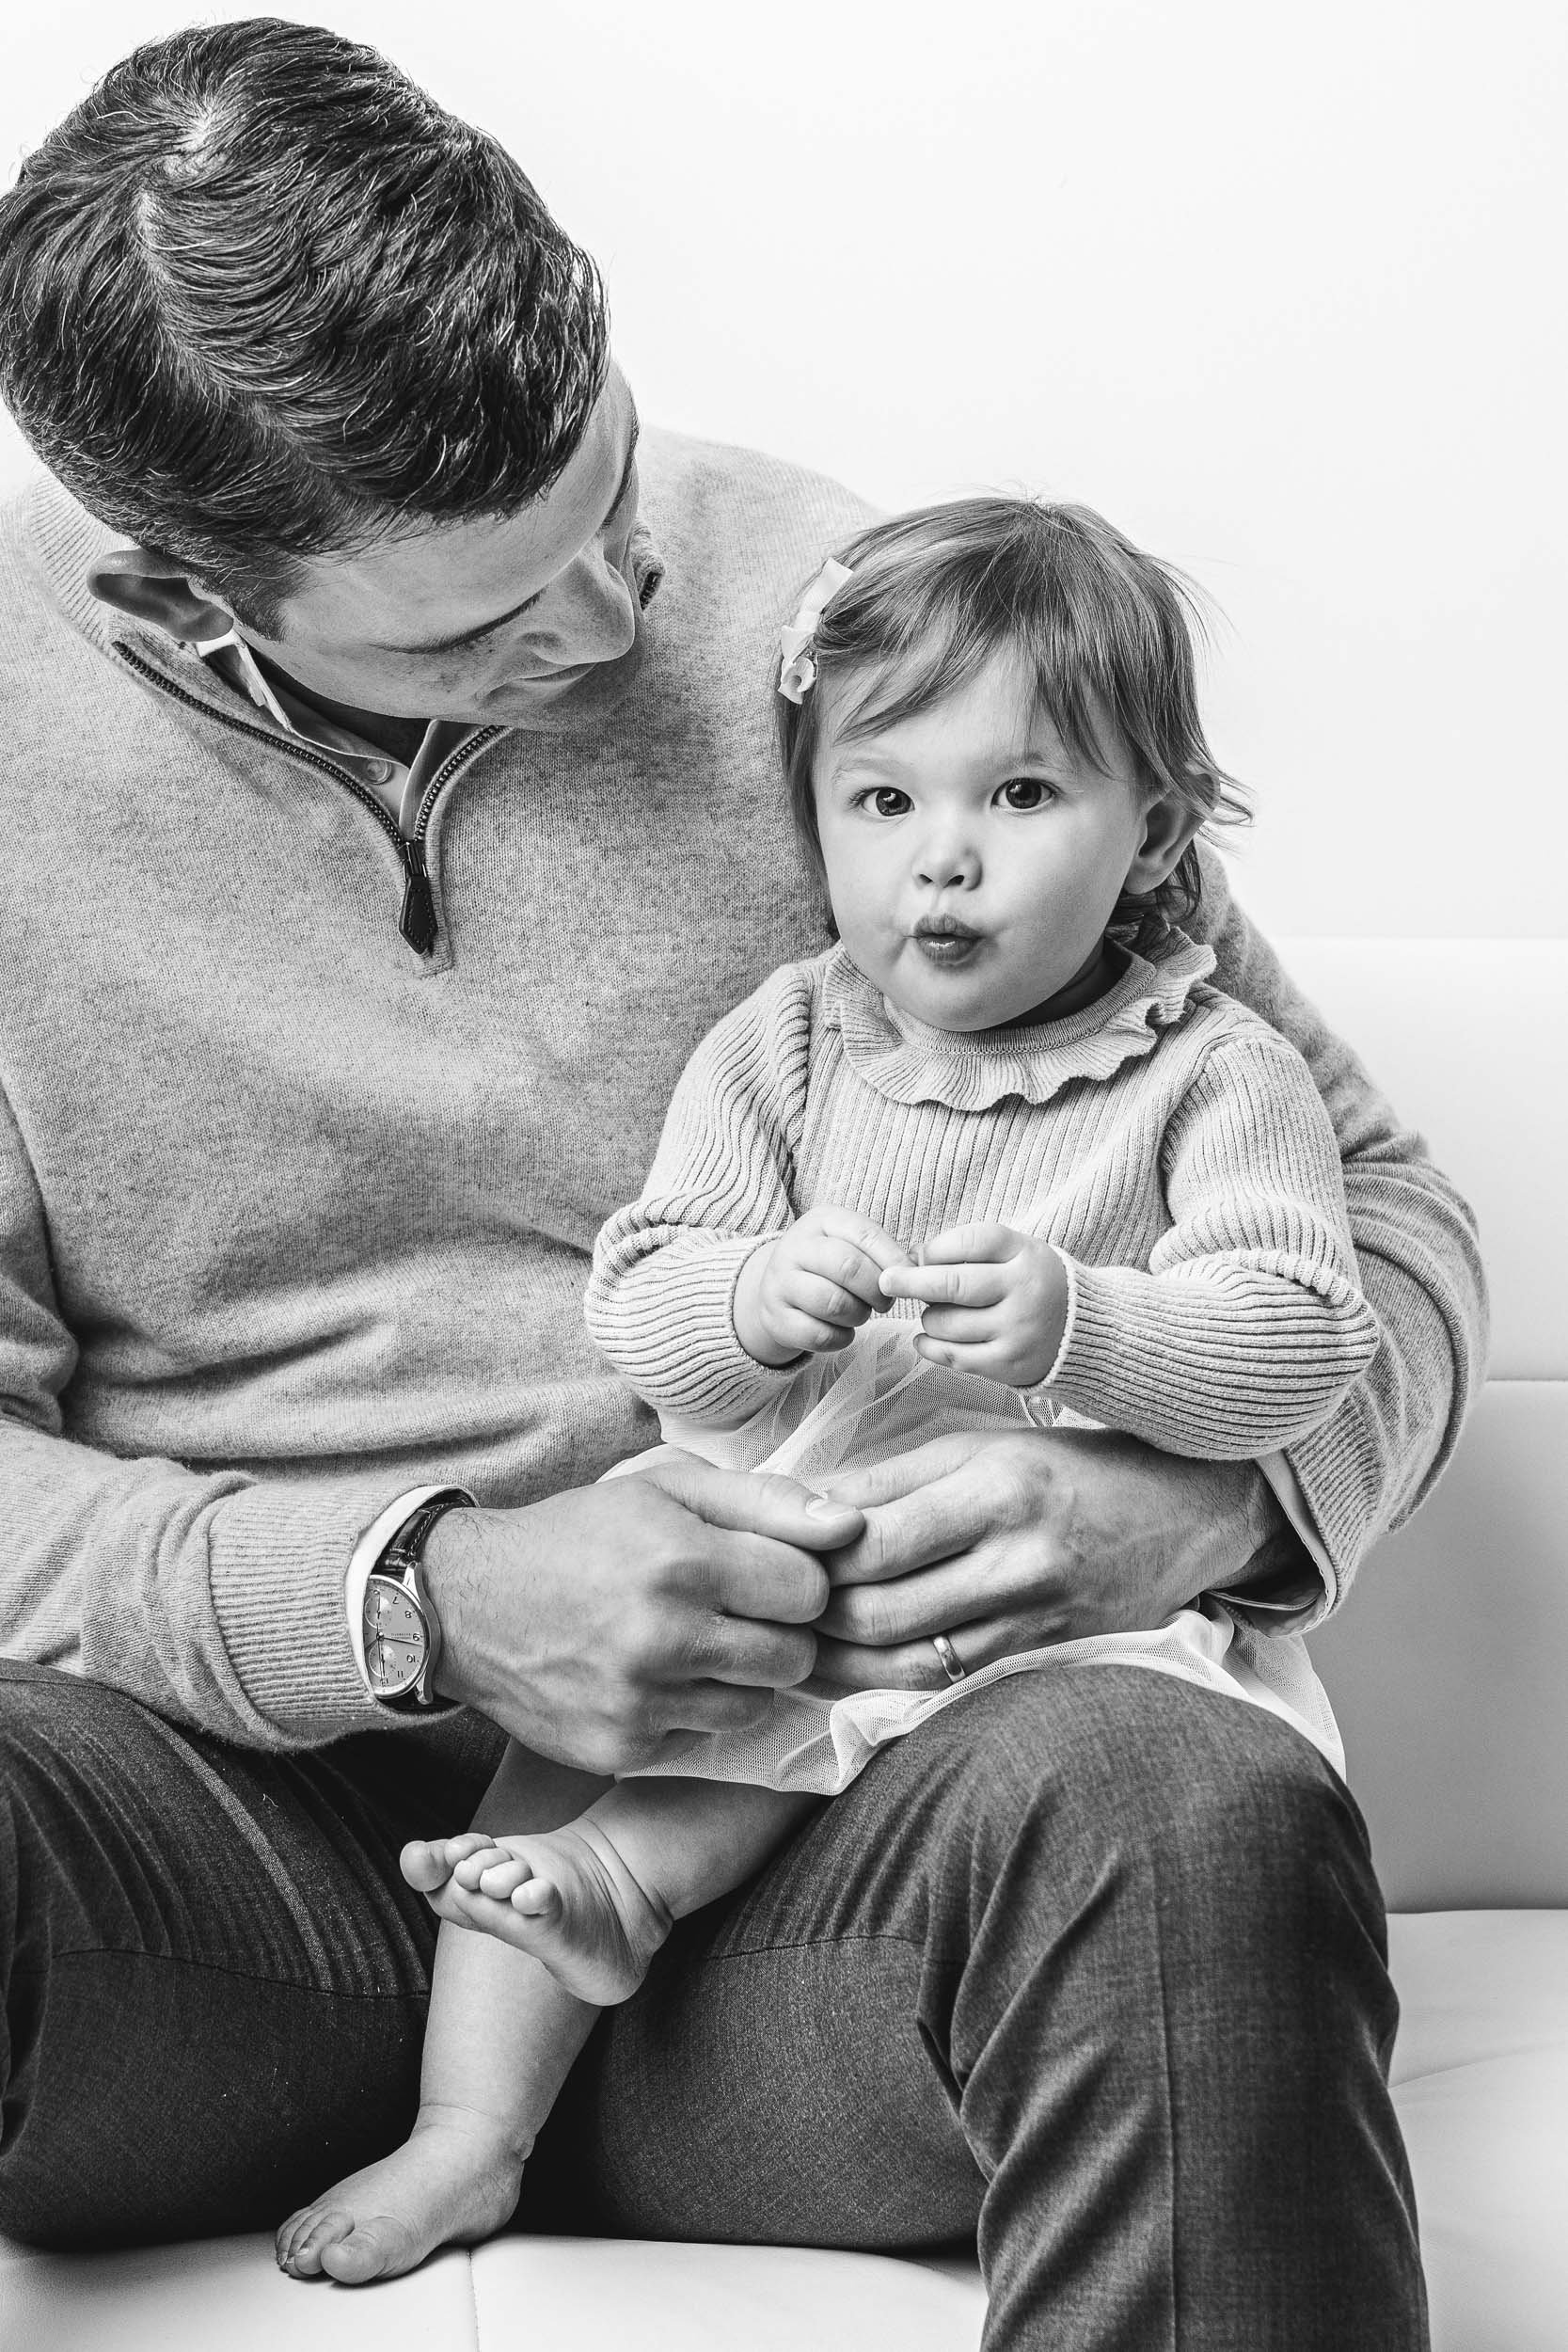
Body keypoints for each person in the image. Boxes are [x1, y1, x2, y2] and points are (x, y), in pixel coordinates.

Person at [0, 22, 1483, 2345]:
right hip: (223, 1877)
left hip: (820, 1846)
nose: (613, 627)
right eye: (487, 622)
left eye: (611, 505)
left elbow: (1371, 1197)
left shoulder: (861, 613)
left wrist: (1213, 1496)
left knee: (1182, 1803)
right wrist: (414, 1596)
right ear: (186, 604)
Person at [276, 495, 1383, 2286]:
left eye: (1019, 797)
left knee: (1055, 1771)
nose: (940, 860)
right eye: (884, 802)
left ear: (1155, 827)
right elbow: (646, 1302)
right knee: (540, 1799)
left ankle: (637, 1892)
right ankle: (467, 2137)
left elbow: (1299, 1337)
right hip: (755, 1577)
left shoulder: (1212, 1073)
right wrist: (755, 1297)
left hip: (1022, 1630)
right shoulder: (785, 1043)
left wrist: (1084, 1328)